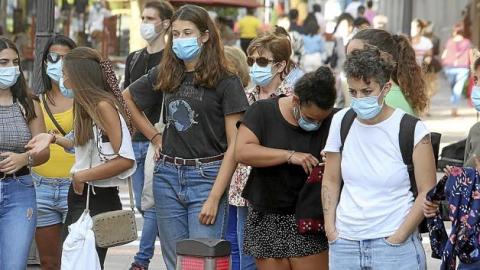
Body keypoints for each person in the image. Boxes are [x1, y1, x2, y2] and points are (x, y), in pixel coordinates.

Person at [123, 5, 249, 270]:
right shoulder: (169, 72)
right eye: (176, 34)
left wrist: (215, 197)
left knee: (202, 262)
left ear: (204, 35)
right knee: (176, 262)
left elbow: (235, 145)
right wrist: (154, 136)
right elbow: (127, 98)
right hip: (167, 175)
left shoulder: (227, 81)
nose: (180, 39)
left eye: (187, 33)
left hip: (207, 176)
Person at [322, 46, 436, 270]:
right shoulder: (341, 121)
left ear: (386, 88)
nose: (359, 99)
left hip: (394, 249)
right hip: (345, 245)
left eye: (366, 91)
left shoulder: (412, 129)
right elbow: (331, 179)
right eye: (353, 92)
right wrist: (331, 230)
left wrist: (399, 236)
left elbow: (427, 189)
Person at [28, 47, 137, 269]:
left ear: (79, 77)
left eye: (66, 74)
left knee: (83, 261)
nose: (63, 79)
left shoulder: (103, 106)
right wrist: (52, 139)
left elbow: (125, 159)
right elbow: (82, 144)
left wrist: (82, 176)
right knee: (77, 261)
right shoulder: (85, 106)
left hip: (96, 196)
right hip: (81, 195)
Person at [235, 66, 337, 270]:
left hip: (310, 218)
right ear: (296, 100)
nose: (316, 124)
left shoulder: (336, 119)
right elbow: (242, 152)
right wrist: (289, 155)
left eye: (321, 120)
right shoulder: (263, 111)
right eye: (310, 118)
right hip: (267, 214)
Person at [123, 1, 174, 269]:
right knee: (146, 207)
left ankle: (141, 259)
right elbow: (124, 97)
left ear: (166, 24)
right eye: (143, 17)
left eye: (150, 18)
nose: (144, 22)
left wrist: (157, 137)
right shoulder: (134, 57)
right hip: (135, 142)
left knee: (153, 205)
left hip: (159, 139)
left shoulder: (171, 60)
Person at [0, 36, 50, 270]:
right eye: (3, 62)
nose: (11, 68)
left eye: (15, 62)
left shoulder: (28, 102)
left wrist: (24, 158)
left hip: (19, 190)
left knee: (14, 264)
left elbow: (43, 152)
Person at [32, 34, 76, 270]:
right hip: (41, 187)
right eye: (53, 57)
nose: (59, 62)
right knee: (49, 262)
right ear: (45, 62)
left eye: (66, 58)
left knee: (76, 259)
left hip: (75, 186)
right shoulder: (35, 100)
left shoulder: (84, 100)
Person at [346, 28, 429, 116]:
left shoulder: (385, 99)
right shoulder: (385, 94)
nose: (349, 62)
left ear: (381, 57)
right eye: (348, 57)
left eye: (356, 55)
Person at [223, 45, 255, 270]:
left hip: (243, 177)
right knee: (232, 237)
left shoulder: (245, 98)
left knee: (240, 240)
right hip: (229, 178)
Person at [442, 23, 472, 117]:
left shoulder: (450, 41)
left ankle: (454, 107)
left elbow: (444, 54)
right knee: (457, 88)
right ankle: (454, 107)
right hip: (462, 67)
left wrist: (443, 61)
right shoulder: (467, 42)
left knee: (454, 88)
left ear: (455, 31)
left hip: (449, 67)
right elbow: (470, 54)